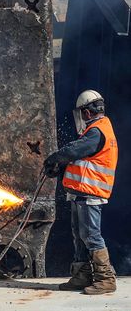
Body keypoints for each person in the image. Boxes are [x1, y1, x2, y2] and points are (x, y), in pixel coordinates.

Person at [44, 90, 118, 295]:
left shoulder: (97, 131)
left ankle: (105, 279)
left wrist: (54, 158)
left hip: (91, 193)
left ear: (86, 112)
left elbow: (73, 150)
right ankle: (82, 275)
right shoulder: (96, 131)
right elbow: (81, 161)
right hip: (81, 193)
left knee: (91, 236)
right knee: (79, 235)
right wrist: (60, 168)